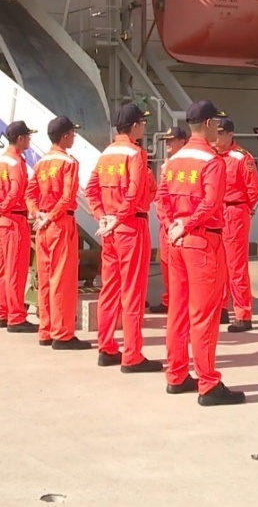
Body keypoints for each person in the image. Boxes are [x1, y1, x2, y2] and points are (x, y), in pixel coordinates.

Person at [157, 99, 245, 406]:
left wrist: (172, 226)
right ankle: (208, 384)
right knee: (204, 315)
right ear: (207, 124)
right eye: (216, 124)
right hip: (202, 243)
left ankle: (176, 375)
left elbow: (161, 199)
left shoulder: (175, 160)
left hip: (177, 243)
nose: (219, 129)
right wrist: (188, 224)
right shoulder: (212, 161)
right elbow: (210, 204)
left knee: (177, 311)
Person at [85, 103, 161, 373]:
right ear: (135, 126)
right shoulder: (136, 154)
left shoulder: (107, 154)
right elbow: (135, 191)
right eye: (143, 123)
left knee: (110, 289)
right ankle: (132, 355)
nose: (145, 127)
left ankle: (105, 347)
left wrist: (102, 216)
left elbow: (91, 189)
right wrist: (119, 216)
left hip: (111, 230)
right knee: (132, 292)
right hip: (131, 227)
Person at [25, 116, 92, 350]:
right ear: (65, 136)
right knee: (62, 280)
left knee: (44, 279)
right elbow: (67, 198)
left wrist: (37, 215)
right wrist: (50, 217)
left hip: (43, 226)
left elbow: (30, 194)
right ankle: (62, 333)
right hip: (60, 224)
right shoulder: (69, 163)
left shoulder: (42, 163)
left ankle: (46, 329)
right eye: (72, 133)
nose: (74, 137)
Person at [0, 121, 39, 333]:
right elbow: (17, 191)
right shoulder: (16, 163)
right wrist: (4, 208)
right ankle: (16, 317)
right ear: (20, 139)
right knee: (16, 269)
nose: (29, 140)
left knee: (1, 269)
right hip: (14, 220)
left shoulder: (0, 161)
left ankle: (2, 312)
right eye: (27, 137)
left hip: (0, 222)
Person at [213, 116, 258, 333]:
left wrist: (244, 210)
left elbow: (254, 190)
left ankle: (243, 313)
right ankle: (221, 308)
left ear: (230, 134)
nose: (216, 137)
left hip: (234, 211)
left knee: (236, 266)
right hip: (216, 212)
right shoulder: (213, 156)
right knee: (218, 265)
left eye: (221, 133)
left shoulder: (241, 158)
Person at [149, 126, 188, 315]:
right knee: (166, 264)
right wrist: (166, 220)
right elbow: (160, 196)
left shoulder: (190, 164)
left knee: (183, 269)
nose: (169, 145)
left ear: (182, 142)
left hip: (183, 223)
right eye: (167, 141)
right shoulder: (167, 165)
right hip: (168, 222)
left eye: (172, 141)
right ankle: (169, 300)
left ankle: (181, 303)